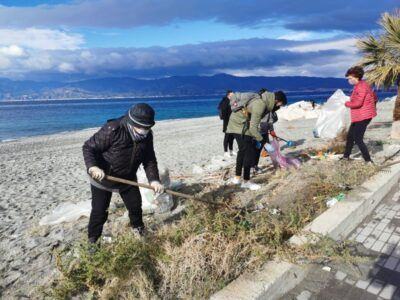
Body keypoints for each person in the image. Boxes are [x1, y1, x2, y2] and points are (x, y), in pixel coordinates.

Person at [82, 103, 164, 243]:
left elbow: (149, 159)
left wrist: (154, 180)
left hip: (128, 178)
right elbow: (89, 147)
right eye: (141, 127)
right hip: (103, 177)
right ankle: (93, 240)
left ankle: (138, 230)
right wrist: (93, 167)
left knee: (135, 206)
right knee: (99, 211)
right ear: (132, 122)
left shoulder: (147, 136)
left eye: (147, 127)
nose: (144, 130)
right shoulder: (113, 129)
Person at [226, 90, 287, 190]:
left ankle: (237, 178)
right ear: (276, 100)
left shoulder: (263, 99)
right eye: (280, 104)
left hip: (236, 123)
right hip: (239, 125)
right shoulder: (261, 104)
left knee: (242, 151)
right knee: (248, 152)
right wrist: (263, 142)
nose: (279, 107)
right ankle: (246, 181)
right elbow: (253, 129)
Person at [342, 66, 377, 163]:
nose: (348, 80)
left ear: (356, 77)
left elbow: (358, 103)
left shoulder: (361, 87)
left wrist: (346, 103)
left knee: (358, 138)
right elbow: (373, 98)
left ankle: (368, 160)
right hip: (360, 116)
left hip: (363, 116)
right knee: (350, 136)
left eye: (350, 78)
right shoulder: (360, 85)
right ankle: (346, 157)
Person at [218, 90, 235, 157]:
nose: (233, 96)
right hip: (227, 122)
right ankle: (225, 151)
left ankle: (231, 150)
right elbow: (225, 112)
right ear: (228, 95)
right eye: (232, 95)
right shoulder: (225, 101)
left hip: (232, 122)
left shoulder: (231, 101)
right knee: (227, 137)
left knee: (232, 137)